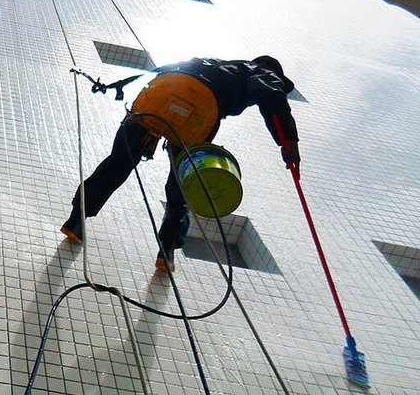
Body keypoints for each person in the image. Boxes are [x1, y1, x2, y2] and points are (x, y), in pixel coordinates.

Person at [61, 56, 300, 272]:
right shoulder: (260, 71)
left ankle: (75, 219)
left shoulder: (212, 62)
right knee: (182, 182)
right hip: (199, 112)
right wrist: (287, 140)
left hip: (160, 93)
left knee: (120, 161)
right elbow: (270, 94)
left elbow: (167, 67)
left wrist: (122, 84)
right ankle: (167, 250)